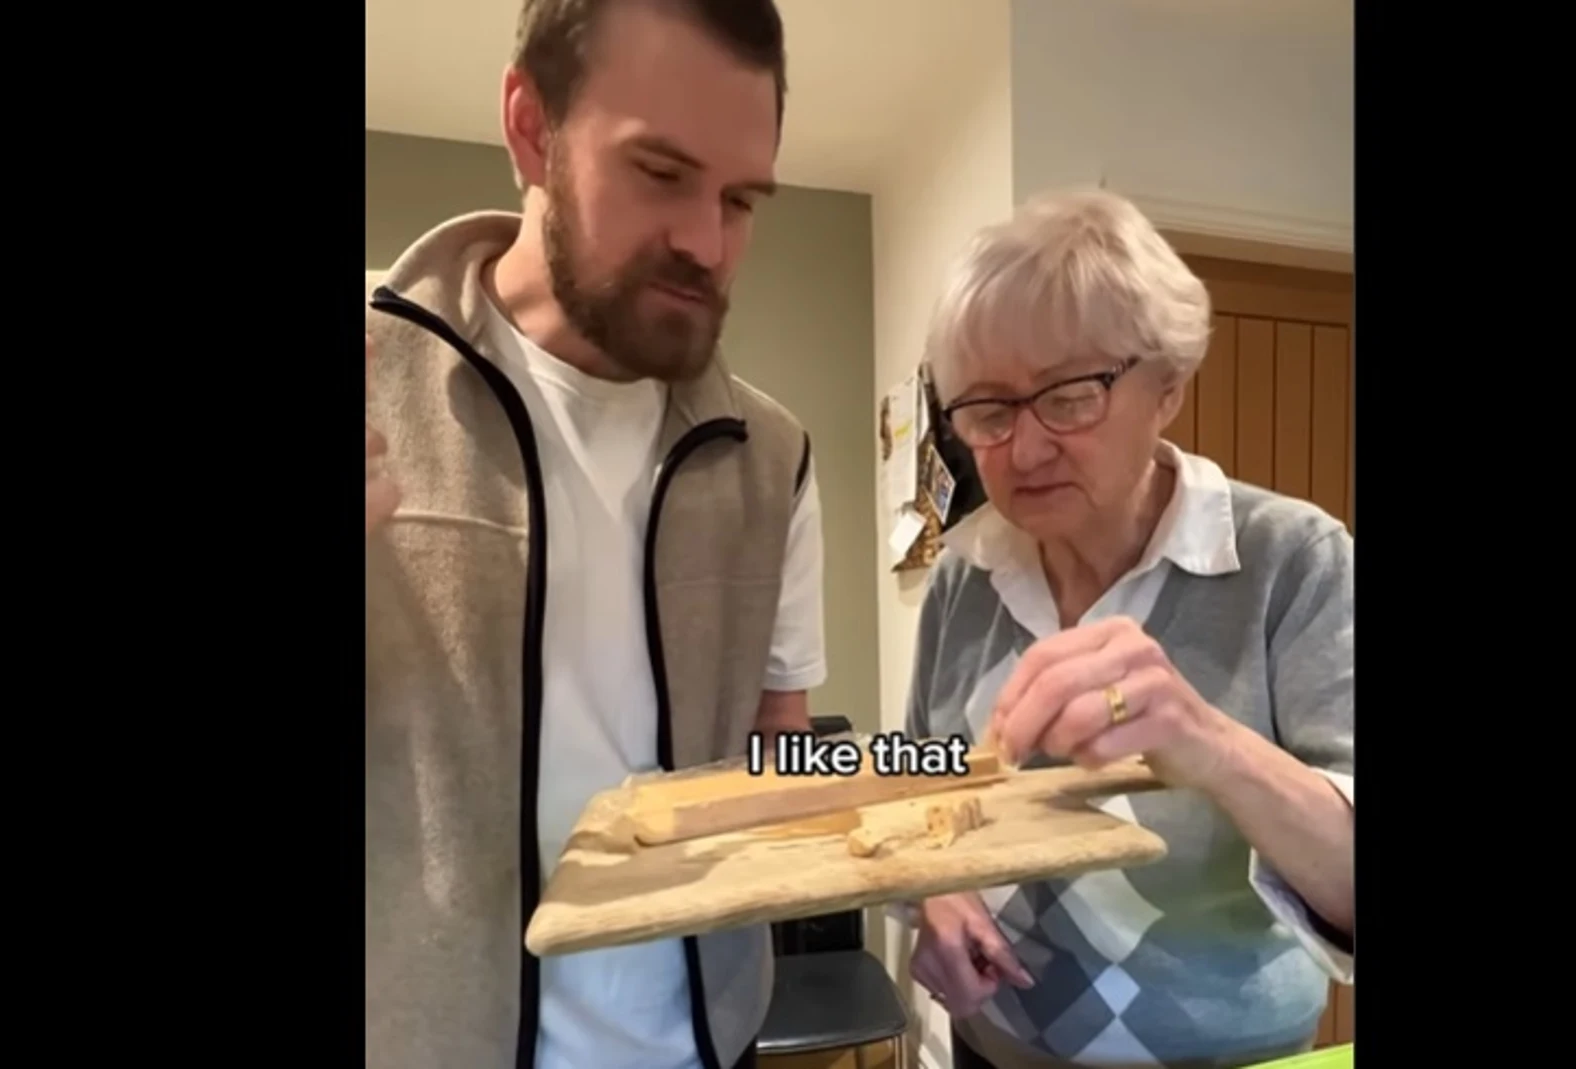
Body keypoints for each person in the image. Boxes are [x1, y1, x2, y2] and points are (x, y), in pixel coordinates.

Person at [363, 2, 825, 1068]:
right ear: (531, 125)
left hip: (711, 1046)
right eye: (660, 172)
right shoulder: (373, 381)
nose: (708, 244)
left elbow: (778, 748)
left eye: (742, 198)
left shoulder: (777, 456)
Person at [900, 189, 1354, 1069]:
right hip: (992, 1052)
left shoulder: (1291, 562)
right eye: (989, 411)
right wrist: (936, 889)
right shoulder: (963, 576)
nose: (1025, 450)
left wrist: (1207, 739)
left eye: (1070, 396)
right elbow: (924, 778)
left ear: (1168, 388)